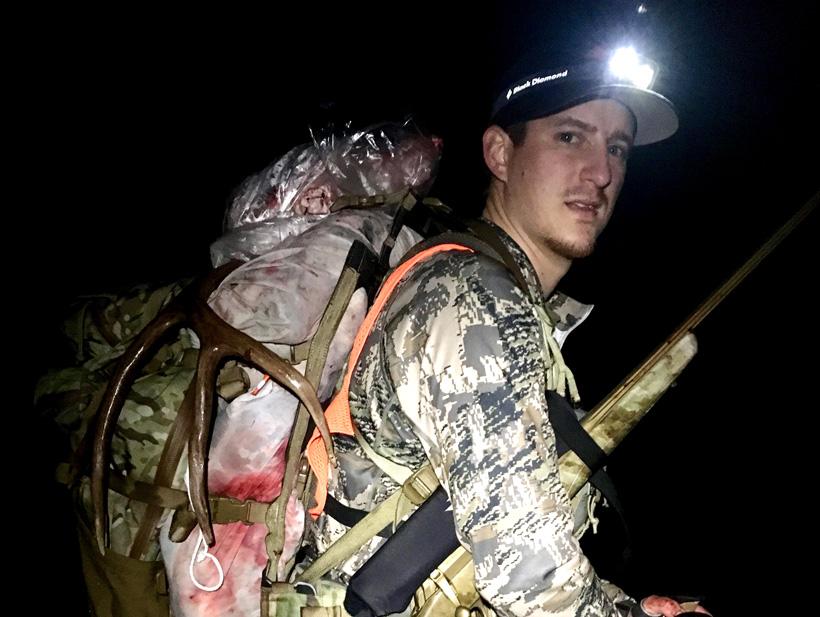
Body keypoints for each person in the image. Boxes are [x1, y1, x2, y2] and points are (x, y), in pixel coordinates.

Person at [312, 46, 711, 617]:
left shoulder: (505, 297)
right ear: (500, 153)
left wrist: (629, 609)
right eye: (570, 137)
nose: (601, 173)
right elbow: (526, 569)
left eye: (616, 148)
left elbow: (507, 535)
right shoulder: (474, 296)